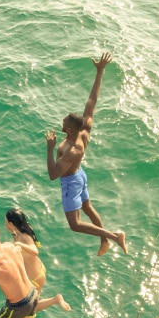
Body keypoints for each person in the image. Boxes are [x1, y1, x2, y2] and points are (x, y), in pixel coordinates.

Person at [45, 52, 128, 257]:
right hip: (80, 175)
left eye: (64, 124)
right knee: (88, 208)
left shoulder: (72, 150)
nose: (62, 124)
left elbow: (54, 174)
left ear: (70, 130)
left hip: (71, 182)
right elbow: (92, 100)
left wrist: (49, 148)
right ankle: (104, 241)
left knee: (75, 224)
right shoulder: (85, 129)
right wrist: (100, 71)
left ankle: (115, 236)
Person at [4, 208, 70, 312]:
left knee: (31, 308)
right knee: (32, 306)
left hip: (34, 278)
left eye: (6, 222)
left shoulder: (23, 236)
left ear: (11, 224)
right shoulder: (22, 230)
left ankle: (56, 300)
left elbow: (35, 251)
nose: (5, 224)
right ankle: (55, 300)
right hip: (38, 272)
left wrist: (19, 244)